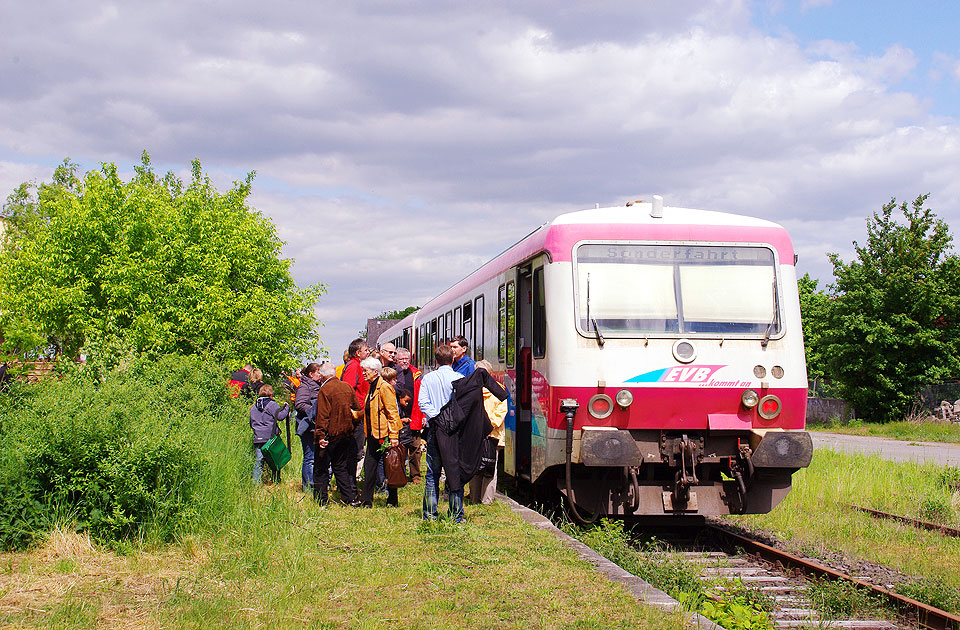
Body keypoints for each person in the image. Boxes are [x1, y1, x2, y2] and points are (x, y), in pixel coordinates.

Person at [418, 343, 464, 521]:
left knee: (432, 473)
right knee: (454, 473)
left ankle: (429, 514)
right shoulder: (459, 378)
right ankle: (456, 515)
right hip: (453, 431)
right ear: (452, 359)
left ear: (436, 360)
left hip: (435, 429)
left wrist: (437, 417)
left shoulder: (428, 379)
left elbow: (423, 403)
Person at [314, 362, 362, 506]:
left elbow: (323, 415)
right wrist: (351, 427)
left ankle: (321, 501)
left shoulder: (325, 390)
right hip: (345, 435)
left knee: (321, 469)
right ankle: (349, 498)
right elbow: (357, 411)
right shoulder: (346, 387)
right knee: (340, 467)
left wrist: (320, 435)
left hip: (329, 435)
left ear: (322, 375)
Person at [358, 357, 403, 507]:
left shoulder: (384, 387)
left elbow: (392, 412)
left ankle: (392, 499)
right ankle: (366, 500)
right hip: (372, 433)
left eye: (366, 371)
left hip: (385, 434)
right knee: (369, 467)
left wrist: (394, 435)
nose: (363, 373)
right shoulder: (371, 386)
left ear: (375, 371)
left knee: (390, 466)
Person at [468, 360, 508, 504]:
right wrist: (489, 427)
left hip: (475, 434)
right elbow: (501, 412)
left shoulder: (471, 388)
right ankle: (487, 499)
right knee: (490, 467)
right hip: (493, 435)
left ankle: (473, 498)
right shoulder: (499, 389)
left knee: (474, 467)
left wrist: (479, 426)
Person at [341, 338, 371, 476]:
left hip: (359, 413)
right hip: (355, 415)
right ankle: (349, 483)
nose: (368, 352)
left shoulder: (358, 365)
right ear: (358, 353)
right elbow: (347, 390)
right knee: (354, 450)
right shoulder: (353, 366)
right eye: (366, 350)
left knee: (358, 449)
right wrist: (353, 411)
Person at [249, 385, 290, 484]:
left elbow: (251, 424)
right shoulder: (272, 404)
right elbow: (280, 416)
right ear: (271, 394)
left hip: (258, 437)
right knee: (275, 460)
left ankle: (255, 484)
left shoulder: (253, 407)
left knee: (259, 461)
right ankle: (276, 481)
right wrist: (286, 408)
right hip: (270, 438)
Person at [395, 348, 424, 482]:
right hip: (398, 416)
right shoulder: (393, 373)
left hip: (414, 416)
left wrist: (423, 415)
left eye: (407, 359)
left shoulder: (416, 374)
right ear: (396, 360)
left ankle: (415, 476)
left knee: (415, 448)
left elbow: (422, 395)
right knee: (399, 448)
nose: (405, 361)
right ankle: (399, 474)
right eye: (402, 359)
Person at [295, 362, 322, 492]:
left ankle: (314, 485)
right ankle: (308, 488)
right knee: (309, 457)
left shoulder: (318, 386)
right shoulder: (304, 387)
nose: (320, 375)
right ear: (311, 374)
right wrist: (314, 411)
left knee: (315, 457)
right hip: (307, 426)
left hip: (315, 426)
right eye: (318, 372)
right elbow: (299, 404)